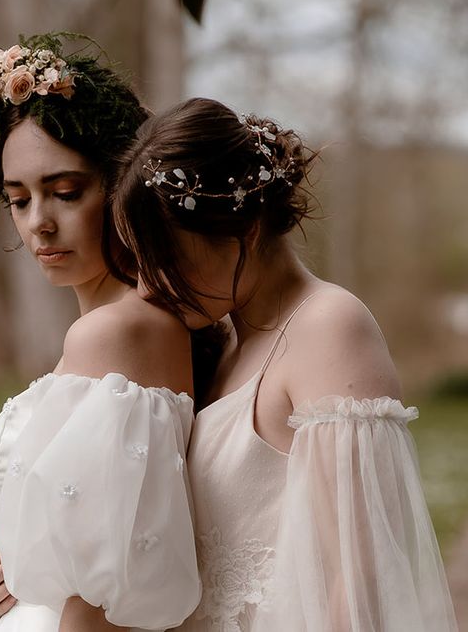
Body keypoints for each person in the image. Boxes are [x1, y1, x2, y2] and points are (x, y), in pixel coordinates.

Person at [111, 97, 458, 631]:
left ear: (243, 231)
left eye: (167, 259)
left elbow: (359, 579)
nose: (148, 285)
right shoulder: (221, 340)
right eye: (141, 262)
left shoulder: (328, 327)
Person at [0, 20, 202, 631]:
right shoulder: (112, 329)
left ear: (121, 187)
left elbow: (106, 595)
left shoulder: (122, 330)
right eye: (20, 199)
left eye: (66, 192)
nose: (39, 225)